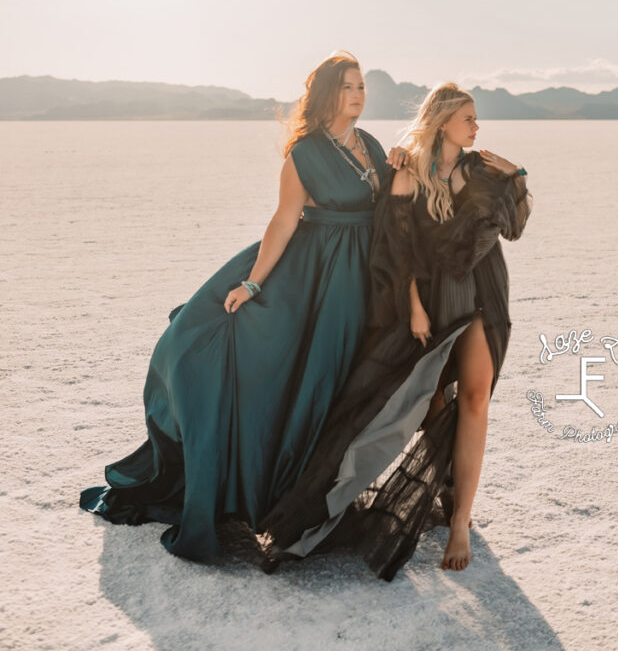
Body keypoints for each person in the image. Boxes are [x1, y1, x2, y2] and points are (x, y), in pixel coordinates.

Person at [79, 51, 405, 562]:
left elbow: (390, 205)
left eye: (362, 86)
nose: (359, 94)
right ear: (327, 94)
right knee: (282, 371)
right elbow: (283, 222)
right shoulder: (305, 152)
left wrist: (401, 167)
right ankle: (269, 499)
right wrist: (252, 285)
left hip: (359, 276)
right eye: (348, 87)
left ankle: (316, 498)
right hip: (311, 277)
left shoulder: (373, 146)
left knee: (339, 381)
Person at [261, 82, 532, 580]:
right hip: (435, 302)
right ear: (443, 122)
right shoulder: (407, 173)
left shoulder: (480, 170)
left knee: (475, 399)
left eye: (476, 119)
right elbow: (397, 248)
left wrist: (516, 173)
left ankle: (461, 523)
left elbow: (514, 226)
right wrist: (413, 308)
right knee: (427, 405)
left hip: (482, 298)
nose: (476, 127)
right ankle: (443, 483)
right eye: (468, 118)